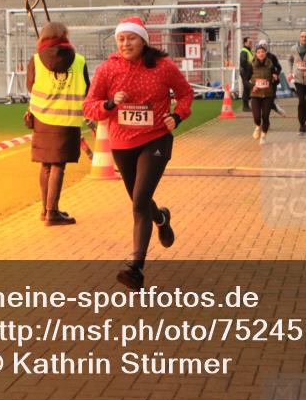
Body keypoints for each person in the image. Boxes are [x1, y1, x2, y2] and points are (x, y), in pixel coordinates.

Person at [83, 16, 194, 290]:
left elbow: (186, 93)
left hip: (155, 139)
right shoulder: (107, 70)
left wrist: (177, 117)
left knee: (139, 200)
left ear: (143, 40)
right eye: (121, 39)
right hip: (122, 144)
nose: (125, 43)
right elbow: (90, 107)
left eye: (131, 38)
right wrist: (109, 104)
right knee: (139, 200)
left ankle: (136, 267)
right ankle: (162, 218)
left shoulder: (163, 66)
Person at [27, 21, 89, 227]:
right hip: (67, 120)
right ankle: (53, 212)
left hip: (42, 119)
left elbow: (30, 86)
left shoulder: (35, 60)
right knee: (58, 166)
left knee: (46, 164)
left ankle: (46, 209)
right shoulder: (79, 61)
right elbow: (87, 88)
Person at [249, 43, 277, 144]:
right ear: (256, 54)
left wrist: (275, 77)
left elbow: (275, 77)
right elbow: (245, 80)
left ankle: (264, 136)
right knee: (257, 117)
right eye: (259, 52)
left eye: (262, 52)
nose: (261, 54)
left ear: (265, 53)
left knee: (265, 116)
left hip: (267, 94)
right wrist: (253, 86)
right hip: (255, 94)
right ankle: (257, 126)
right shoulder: (251, 65)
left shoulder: (270, 64)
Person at [257, 39, 287, 117]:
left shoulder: (272, 56)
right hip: (260, 82)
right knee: (261, 101)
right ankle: (273, 112)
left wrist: (276, 74)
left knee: (269, 101)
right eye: (262, 45)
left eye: (265, 45)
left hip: (272, 82)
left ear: (267, 46)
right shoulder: (256, 57)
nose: (263, 46)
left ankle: (269, 117)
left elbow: (279, 67)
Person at [239, 37, 253, 111]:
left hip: (247, 72)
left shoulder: (248, 51)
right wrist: (251, 67)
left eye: (251, 42)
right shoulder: (244, 51)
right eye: (249, 42)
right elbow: (243, 62)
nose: (251, 44)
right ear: (245, 43)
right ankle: (245, 106)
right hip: (245, 72)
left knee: (246, 89)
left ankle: (246, 106)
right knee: (247, 89)